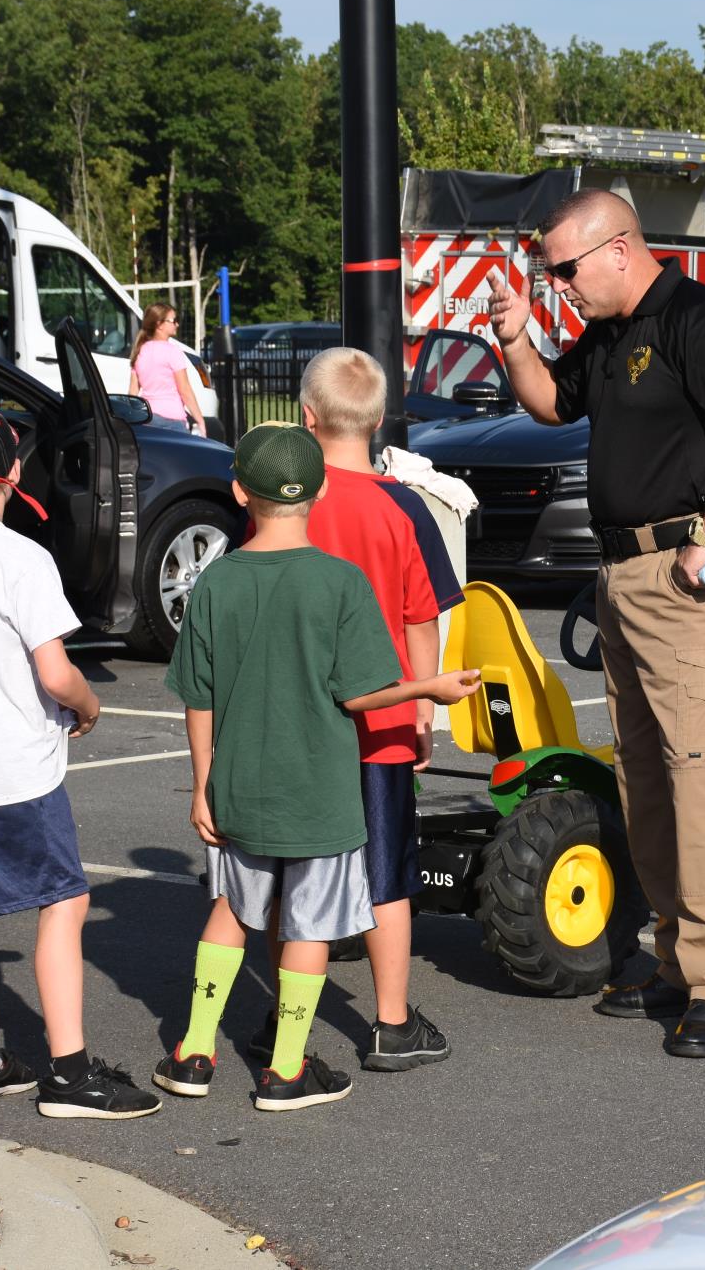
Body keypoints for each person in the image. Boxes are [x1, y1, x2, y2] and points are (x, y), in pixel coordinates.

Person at [486, 189, 705, 1059]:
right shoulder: (614, 332)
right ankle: (674, 959)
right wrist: (514, 338)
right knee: (649, 786)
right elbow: (551, 403)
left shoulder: (697, 318)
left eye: (566, 270)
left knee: (702, 789)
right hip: (628, 578)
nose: (559, 286)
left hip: (693, 582)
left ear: (618, 248)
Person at [149, 422, 478, 1110]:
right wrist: (429, 688)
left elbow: (198, 698)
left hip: (239, 783)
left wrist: (204, 782)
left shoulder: (215, 581)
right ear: (320, 489)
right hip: (323, 794)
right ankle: (286, 1071)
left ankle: (195, 1051)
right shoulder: (340, 583)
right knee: (308, 926)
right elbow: (360, 693)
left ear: (240, 490)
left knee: (230, 912)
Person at [0, 404, 158, 1120]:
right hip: (14, 762)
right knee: (65, 900)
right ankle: (70, 1071)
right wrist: (88, 705)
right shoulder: (23, 558)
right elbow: (54, 672)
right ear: (14, 471)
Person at [293, 348, 464, 1071]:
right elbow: (423, 619)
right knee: (387, 874)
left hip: (301, 718)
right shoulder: (404, 507)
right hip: (386, 718)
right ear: (381, 418)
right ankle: (391, 1022)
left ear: (306, 417)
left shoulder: (287, 497)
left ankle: (286, 1008)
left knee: (298, 872)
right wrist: (424, 709)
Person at [128, 304, 206, 436]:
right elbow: (185, 390)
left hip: (146, 418)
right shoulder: (172, 351)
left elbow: (132, 391)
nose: (177, 324)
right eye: (173, 321)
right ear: (160, 324)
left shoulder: (140, 350)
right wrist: (200, 421)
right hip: (172, 420)